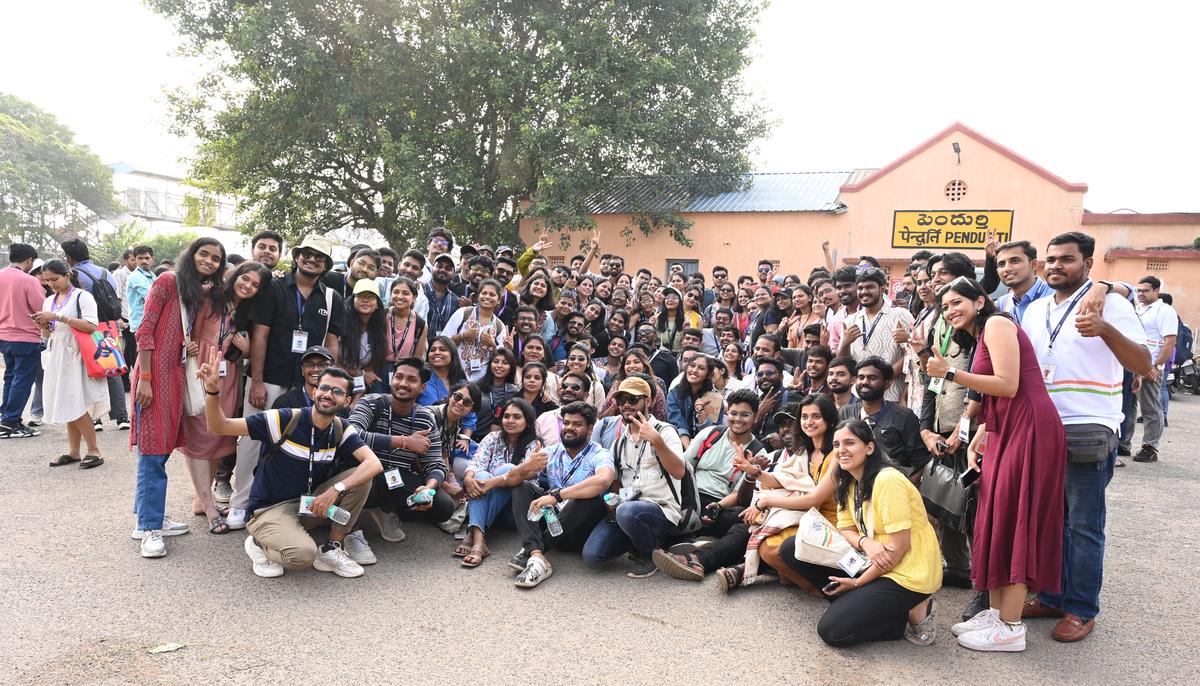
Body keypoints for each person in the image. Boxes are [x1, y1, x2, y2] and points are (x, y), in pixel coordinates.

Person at [1020, 232, 1152, 643]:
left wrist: (1106, 330)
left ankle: (1081, 609)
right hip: (1041, 427)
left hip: (1089, 427)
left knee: (1083, 523)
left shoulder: (1112, 304)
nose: (1057, 265)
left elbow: (1144, 362)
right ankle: (1054, 595)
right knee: (1050, 520)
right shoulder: (1036, 308)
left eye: (1068, 259)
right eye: (1052, 258)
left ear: (1088, 264)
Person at [925, 277, 1066, 652]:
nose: (950, 310)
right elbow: (993, 395)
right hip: (1007, 428)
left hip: (1030, 427)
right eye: (945, 306)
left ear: (980, 301)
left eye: (957, 302)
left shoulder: (998, 324)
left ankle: (1012, 626)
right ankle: (1000, 612)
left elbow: (1007, 383)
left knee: (1016, 517)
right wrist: (980, 434)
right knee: (998, 516)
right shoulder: (980, 335)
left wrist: (949, 373)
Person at [199, 354, 382, 577]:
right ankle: (258, 543)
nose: (328, 395)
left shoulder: (340, 427)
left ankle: (332, 549)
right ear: (314, 392)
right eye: (324, 388)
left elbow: (373, 463)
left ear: (347, 401)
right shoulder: (286, 419)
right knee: (302, 556)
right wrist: (212, 392)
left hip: (308, 504)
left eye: (337, 392)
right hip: (270, 508)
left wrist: (336, 490)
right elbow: (220, 426)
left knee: (361, 477)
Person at [780, 420, 942, 647]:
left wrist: (857, 584)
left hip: (906, 572)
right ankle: (861, 605)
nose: (841, 450)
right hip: (872, 558)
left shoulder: (887, 480)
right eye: (836, 444)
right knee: (791, 548)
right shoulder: (848, 479)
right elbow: (845, 528)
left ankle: (902, 613)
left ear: (869, 448)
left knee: (831, 631)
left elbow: (898, 549)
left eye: (849, 443)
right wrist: (866, 542)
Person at [227, 234, 346, 530]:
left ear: (326, 264)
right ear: (297, 256)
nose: (312, 259)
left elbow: (332, 345)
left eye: (319, 256)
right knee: (252, 441)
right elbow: (260, 336)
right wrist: (255, 381)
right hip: (269, 377)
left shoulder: (332, 298)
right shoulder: (275, 288)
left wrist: (331, 386)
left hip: (310, 383)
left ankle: (283, 503)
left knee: (301, 443)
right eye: (307, 253)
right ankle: (240, 503)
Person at [128, 239, 229, 555]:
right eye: (204, 254)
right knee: (153, 451)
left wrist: (186, 347)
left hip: (174, 376)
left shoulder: (192, 292)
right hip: (154, 377)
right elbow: (144, 331)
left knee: (161, 448)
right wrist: (145, 378)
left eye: (216, 258)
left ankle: (148, 517)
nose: (209, 261)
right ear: (191, 255)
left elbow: (171, 330)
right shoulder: (167, 280)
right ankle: (149, 529)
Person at [178, 259, 271, 535]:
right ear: (236, 275)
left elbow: (249, 344)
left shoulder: (250, 310)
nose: (248, 286)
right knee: (199, 434)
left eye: (256, 285)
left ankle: (200, 497)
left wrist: (245, 350)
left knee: (219, 434)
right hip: (201, 367)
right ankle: (208, 506)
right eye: (246, 279)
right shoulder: (209, 296)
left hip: (228, 373)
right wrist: (187, 344)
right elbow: (183, 322)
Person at [581, 378, 686, 578]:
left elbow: (679, 472)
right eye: (621, 399)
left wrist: (657, 442)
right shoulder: (619, 442)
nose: (626, 404)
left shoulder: (665, 431)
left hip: (661, 510)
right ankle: (642, 539)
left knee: (628, 511)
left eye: (633, 399)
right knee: (593, 556)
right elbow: (614, 482)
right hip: (626, 510)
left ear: (650, 401)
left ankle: (648, 556)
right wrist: (611, 500)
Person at [505, 401, 616, 588]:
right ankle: (537, 555)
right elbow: (511, 480)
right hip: (553, 522)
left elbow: (603, 480)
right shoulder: (552, 452)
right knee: (522, 487)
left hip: (579, 529)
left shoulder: (600, 453)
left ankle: (533, 549)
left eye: (577, 424)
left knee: (589, 498)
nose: (569, 428)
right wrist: (526, 466)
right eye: (566, 423)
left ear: (590, 428)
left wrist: (558, 495)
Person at [348, 358, 449, 555]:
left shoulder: (425, 417)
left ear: (422, 387)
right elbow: (351, 434)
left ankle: (387, 509)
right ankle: (351, 529)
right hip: (364, 474)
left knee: (442, 506)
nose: (403, 383)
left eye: (411, 380)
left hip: (396, 477)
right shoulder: (372, 402)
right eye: (399, 377)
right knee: (371, 484)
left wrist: (429, 488)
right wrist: (404, 441)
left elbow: (435, 462)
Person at [34, 260, 109, 468]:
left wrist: (59, 316)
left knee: (75, 402)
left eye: (54, 279)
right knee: (66, 400)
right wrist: (44, 324)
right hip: (57, 353)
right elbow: (47, 333)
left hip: (77, 354)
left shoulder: (82, 296)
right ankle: (74, 451)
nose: (51, 284)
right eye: (47, 280)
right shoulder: (49, 300)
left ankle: (94, 450)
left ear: (67, 275)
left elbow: (91, 326)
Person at [458, 398, 542, 567]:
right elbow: (477, 462)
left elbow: (529, 473)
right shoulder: (493, 437)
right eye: (507, 416)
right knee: (480, 474)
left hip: (515, 509)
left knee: (509, 469)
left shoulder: (534, 444)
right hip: (487, 499)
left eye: (517, 417)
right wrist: (468, 479)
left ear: (527, 422)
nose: (510, 421)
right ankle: (479, 541)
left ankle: (472, 532)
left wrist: (494, 482)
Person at [61, 238, 130, 432]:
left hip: (85, 327)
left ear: (70, 258)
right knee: (111, 367)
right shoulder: (105, 272)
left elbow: (73, 302)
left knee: (88, 370)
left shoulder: (73, 275)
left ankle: (95, 419)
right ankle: (122, 417)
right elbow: (114, 297)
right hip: (107, 326)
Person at [838, 357, 930, 478]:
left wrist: (904, 489)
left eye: (872, 378)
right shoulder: (846, 412)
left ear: (886, 384)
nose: (865, 382)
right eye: (861, 377)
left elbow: (922, 463)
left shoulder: (904, 417)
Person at [1119, 275, 1177, 462]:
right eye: (1138, 290)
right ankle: (1123, 444)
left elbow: (1169, 342)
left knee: (1150, 406)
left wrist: (1157, 366)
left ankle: (1150, 447)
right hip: (1131, 364)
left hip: (1149, 366)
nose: (1140, 294)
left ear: (1156, 291)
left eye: (1145, 290)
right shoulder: (1138, 309)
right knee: (1128, 405)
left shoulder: (1164, 311)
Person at [838, 267, 913, 401]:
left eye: (870, 287)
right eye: (860, 288)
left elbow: (911, 354)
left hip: (891, 394)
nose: (864, 292)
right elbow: (844, 363)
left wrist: (883, 377)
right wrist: (844, 344)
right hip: (859, 395)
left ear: (883, 288)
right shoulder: (850, 320)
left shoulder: (901, 315)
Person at [0, 243, 46, 438]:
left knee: (10, 376)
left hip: (3, 335)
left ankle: (6, 417)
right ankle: (11, 421)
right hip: (26, 337)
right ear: (29, 260)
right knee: (22, 379)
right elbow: (41, 310)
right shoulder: (29, 281)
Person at [442, 278, 509, 383]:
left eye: (492, 294)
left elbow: (502, 359)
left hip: (481, 382)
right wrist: (462, 336)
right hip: (454, 375)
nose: (487, 297)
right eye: (484, 293)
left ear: (499, 299)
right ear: (478, 296)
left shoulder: (499, 326)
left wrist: (492, 345)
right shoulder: (463, 313)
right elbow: (442, 343)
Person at [338, 278, 389, 394]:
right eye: (361, 296)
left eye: (371, 297)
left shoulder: (379, 328)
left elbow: (370, 370)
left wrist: (355, 401)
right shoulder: (341, 323)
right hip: (337, 376)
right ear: (353, 300)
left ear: (377, 304)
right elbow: (332, 361)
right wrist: (360, 374)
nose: (365, 300)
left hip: (360, 380)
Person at [666, 353, 721, 448]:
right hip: (679, 447)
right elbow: (678, 424)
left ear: (708, 374)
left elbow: (712, 432)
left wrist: (700, 410)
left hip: (706, 449)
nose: (694, 370)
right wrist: (689, 452)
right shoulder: (674, 393)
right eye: (692, 366)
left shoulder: (715, 398)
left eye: (701, 368)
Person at [993, 241, 1052, 321]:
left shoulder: (1055, 294)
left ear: (1033, 264)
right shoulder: (1002, 303)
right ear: (997, 271)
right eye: (1001, 264)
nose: (1007, 268)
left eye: (1015, 261)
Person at [534, 370, 591, 446]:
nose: (568, 389)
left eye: (575, 387)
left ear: (585, 395)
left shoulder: (592, 422)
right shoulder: (544, 418)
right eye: (565, 386)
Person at [384, 276, 428, 367]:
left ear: (414, 297)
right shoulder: (382, 316)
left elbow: (417, 358)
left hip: (404, 371)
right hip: (379, 371)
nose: (400, 296)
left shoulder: (420, 324)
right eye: (396, 292)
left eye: (406, 293)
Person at [476, 348, 521, 434]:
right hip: (475, 437)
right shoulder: (477, 387)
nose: (499, 365)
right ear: (490, 364)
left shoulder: (513, 390)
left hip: (501, 439)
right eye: (496, 361)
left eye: (505, 363)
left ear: (511, 367)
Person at [418, 335, 468, 405]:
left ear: (452, 354)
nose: (437, 352)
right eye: (432, 350)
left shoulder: (462, 383)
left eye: (442, 349)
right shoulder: (421, 378)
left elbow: (469, 414)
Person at [423, 253, 460, 341]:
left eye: (448, 269)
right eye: (439, 266)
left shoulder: (455, 300)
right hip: (418, 348)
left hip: (440, 350)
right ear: (432, 269)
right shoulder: (420, 291)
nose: (443, 270)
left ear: (454, 274)